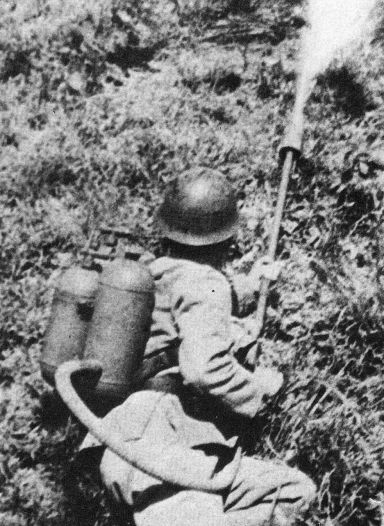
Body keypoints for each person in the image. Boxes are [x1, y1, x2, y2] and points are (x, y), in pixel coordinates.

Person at [81, 167, 316, 526]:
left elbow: (192, 303)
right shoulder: (205, 281)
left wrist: (247, 287)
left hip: (141, 445)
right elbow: (205, 369)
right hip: (160, 445)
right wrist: (261, 389)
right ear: (227, 238)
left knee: (294, 492)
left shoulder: (152, 273)